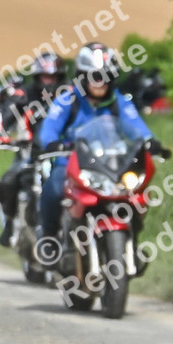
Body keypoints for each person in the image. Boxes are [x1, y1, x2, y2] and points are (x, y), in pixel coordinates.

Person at [37, 42, 154, 248]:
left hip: (112, 165)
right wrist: (52, 143)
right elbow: (49, 128)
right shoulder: (67, 100)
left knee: (135, 196)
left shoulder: (119, 102)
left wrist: (150, 142)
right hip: (70, 163)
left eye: (105, 76)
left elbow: (136, 125)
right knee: (53, 190)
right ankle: (50, 241)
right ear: (82, 76)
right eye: (94, 76)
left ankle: (132, 242)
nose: (99, 82)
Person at [0, 51, 66, 246]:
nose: (49, 82)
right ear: (37, 77)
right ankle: (10, 223)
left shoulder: (70, 95)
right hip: (31, 152)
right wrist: (0, 134)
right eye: (45, 77)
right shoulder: (25, 94)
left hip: (65, 154)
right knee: (7, 183)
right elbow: (5, 115)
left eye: (53, 77)